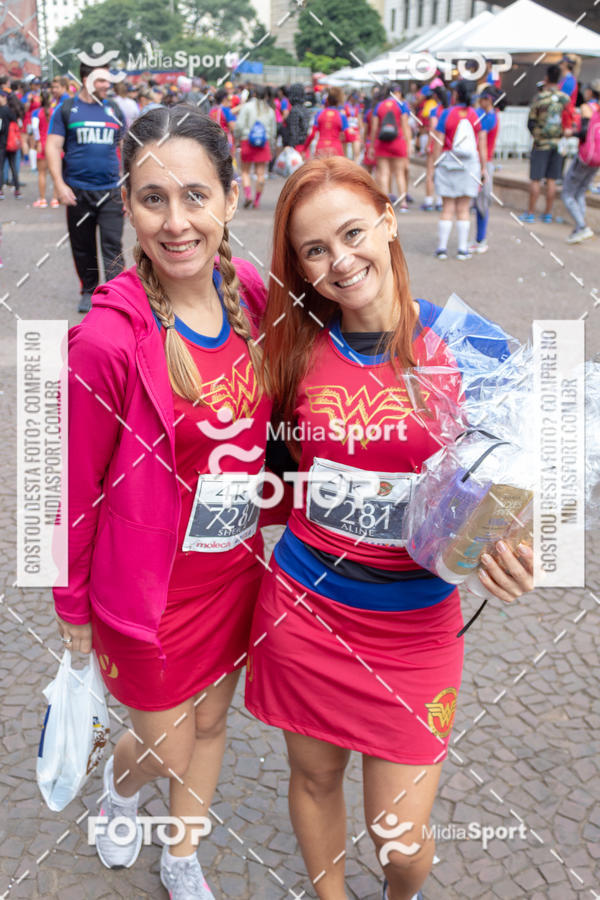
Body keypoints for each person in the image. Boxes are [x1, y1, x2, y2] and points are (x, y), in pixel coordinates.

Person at [246, 156, 534, 900]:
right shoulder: (293, 351)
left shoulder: (471, 347)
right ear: (302, 269)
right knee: (312, 778)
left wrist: (516, 546)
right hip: (308, 613)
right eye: (315, 250)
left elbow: (518, 486)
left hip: (415, 633)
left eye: (352, 232)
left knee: (400, 842)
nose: (341, 260)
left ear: (388, 219)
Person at [53, 106, 271, 898]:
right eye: (152, 199)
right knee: (168, 746)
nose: (176, 223)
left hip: (233, 574)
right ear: (127, 203)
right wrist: (70, 606)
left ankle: (181, 856)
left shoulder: (249, 293)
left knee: (211, 727)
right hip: (146, 595)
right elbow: (67, 487)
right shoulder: (107, 339)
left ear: (230, 198)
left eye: (194, 196)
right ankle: (119, 790)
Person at [46, 63, 126, 313]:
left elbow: (125, 146)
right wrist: (59, 185)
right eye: (102, 80)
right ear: (86, 79)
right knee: (83, 245)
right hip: (78, 192)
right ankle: (89, 290)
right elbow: (52, 146)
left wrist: (130, 184)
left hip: (111, 191)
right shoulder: (67, 109)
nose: (107, 85)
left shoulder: (113, 109)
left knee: (112, 243)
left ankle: (114, 293)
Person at [432, 80, 487, 260]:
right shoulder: (477, 115)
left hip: (448, 162)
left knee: (447, 207)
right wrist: (484, 168)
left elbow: (438, 142)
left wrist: (434, 165)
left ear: (456, 94)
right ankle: (462, 249)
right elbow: (482, 146)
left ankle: (442, 249)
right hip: (470, 165)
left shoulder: (447, 114)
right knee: (464, 209)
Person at [520, 64, 570, 224]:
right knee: (552, 180)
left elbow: (531, 122)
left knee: (535, 179)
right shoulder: (565, 98)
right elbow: (569, 120)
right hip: (558, 144)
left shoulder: (539, 98)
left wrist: (537, 135)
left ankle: (530, 212)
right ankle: (547, 214)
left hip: (541, 144)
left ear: (547, 78)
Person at [561, 78, 600, 243]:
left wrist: (570, 133)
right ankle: (579, 228)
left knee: (568, 194)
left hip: (585, 156)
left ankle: (582, 227)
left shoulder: (587, 108)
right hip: (597, 158)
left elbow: (584, 132)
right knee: (580, 193)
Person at [370, 83, 413, 211]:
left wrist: (372, 145)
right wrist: (409, 144)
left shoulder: (379, 106)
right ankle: (403, 202)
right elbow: (406, 126)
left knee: (384, 173)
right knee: (399, 173)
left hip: (382, 142)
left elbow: (374, 128)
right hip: (398, 142)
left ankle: (385, 203)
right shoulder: (401, 106)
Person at [233, 84, 276, 209]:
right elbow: (273, 132)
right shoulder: (270, 110)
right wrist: (271, 146)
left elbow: (239, 125)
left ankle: (248, 195)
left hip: (247, 141)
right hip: (264, 143)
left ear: (255, 94)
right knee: (260, 174)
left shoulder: (247, 107)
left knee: (245, 171)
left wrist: (237, 137)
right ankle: (256, 201)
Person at [470, 86, 501, 254]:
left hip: (484, 164)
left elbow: (482, 143)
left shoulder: (488, 118)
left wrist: (482, 169)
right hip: (484, 163)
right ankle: (479, 239)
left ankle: (481, 239)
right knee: (480, 203)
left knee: (482, 203)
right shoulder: (491, 115)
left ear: (487, 100)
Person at [421, 84, 448, 211]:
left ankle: (428, 200)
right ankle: (440, 200)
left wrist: (428, 145)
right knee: (443, 173)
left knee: (430, 173)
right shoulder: (449, 110)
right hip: (447, 146)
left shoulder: (435, 111)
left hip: (435, 144)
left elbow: (432, 129)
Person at [302, 87, 348, 159]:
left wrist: (304, 149)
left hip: (321, 148)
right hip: (336, 149)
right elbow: (346, 136)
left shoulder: (319, 114)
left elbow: (312, 134)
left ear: (327, 100)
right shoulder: (341, 116)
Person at [31, 90, 57, 208]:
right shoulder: (55, 112)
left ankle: (42, 199)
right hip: (54, 145)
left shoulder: (36, 113)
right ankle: (55, 199)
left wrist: (37, 142)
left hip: (42, 143)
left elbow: (35, 128)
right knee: (55, 174)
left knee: (42, 173)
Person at [0, 90, 17, 201]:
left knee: (1, 167)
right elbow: (16, 122)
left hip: (3, 143)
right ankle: (17, 190)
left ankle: (1, 190)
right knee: (13, 167)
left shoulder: (3, 110)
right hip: (11, 143)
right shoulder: (10, 110)